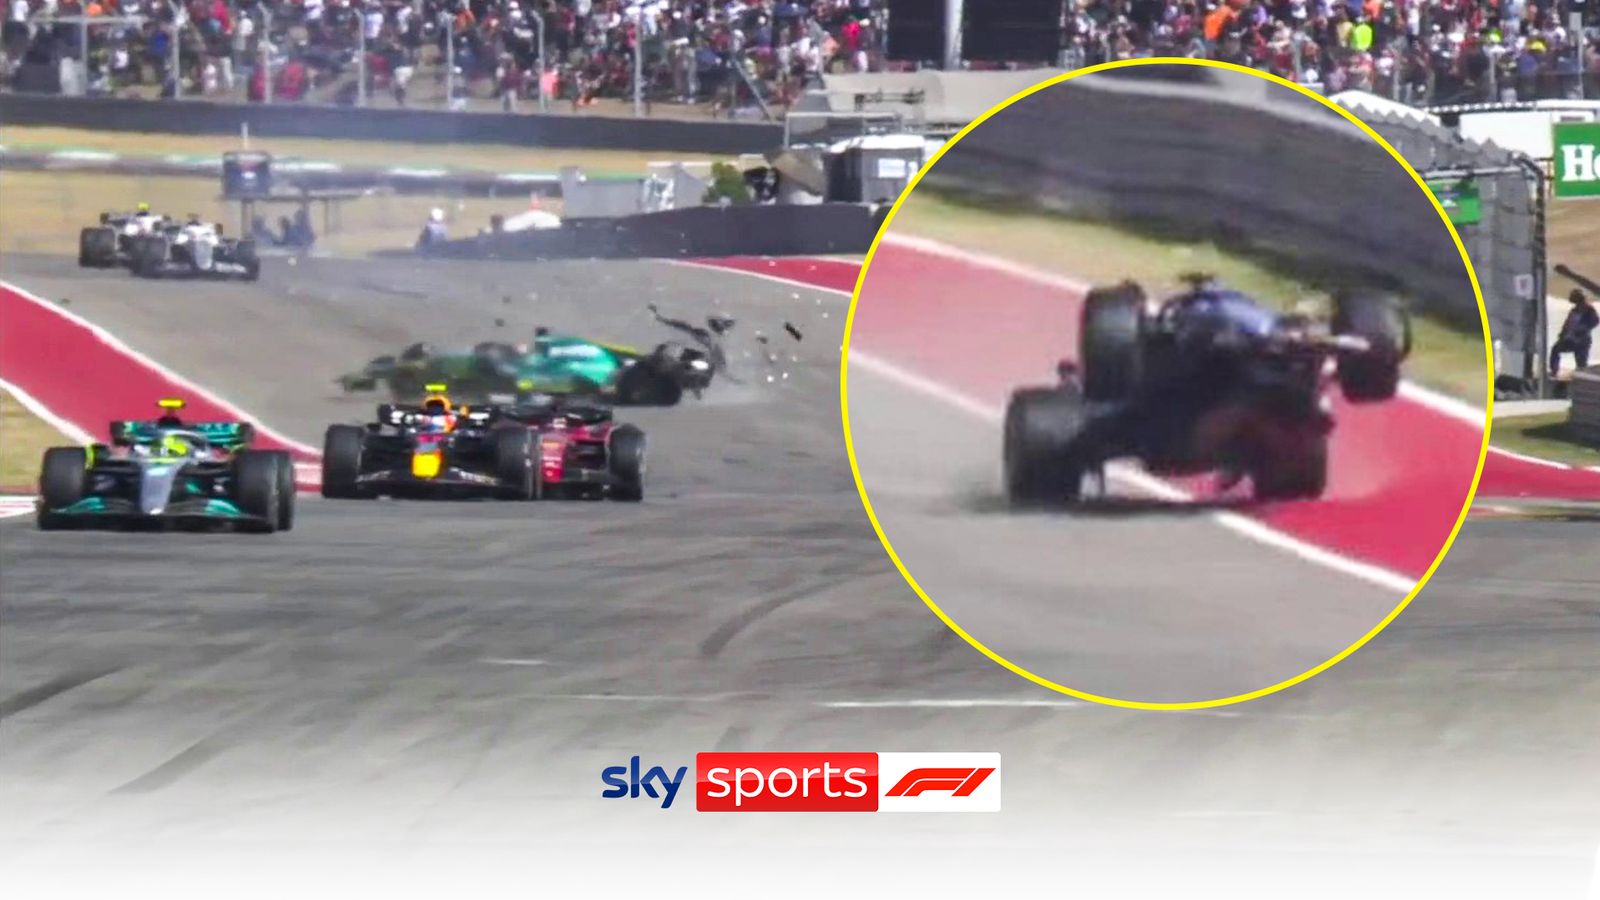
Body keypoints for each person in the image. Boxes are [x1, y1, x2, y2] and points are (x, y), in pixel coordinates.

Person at [1551, 288, 1598, 375]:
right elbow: (1567, 324)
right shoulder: (1574, 310)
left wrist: (1583, 328)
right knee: (1555, 349)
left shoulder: (1589, 310)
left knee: (1581, 363)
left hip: (1582, 340)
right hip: (1569, 339)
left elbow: (1595, 321)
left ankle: (1582, 378)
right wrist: (1562, 334)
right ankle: (1554, 371)